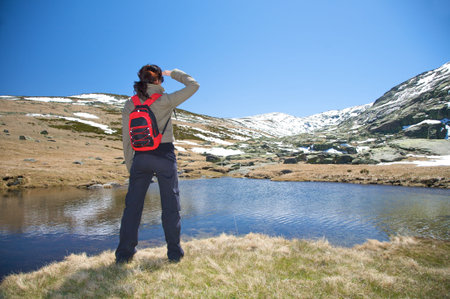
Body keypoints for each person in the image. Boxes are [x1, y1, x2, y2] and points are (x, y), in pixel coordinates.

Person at [115, 64, 199, 264]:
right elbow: (193, 85)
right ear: (159, 80)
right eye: (162, 78)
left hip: (140, 159)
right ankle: (174, 254)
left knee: (132, 208)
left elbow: (127, 139)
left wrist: (131, 166)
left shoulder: (130, 103)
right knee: (170, 207)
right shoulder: (164, 100)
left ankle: (124, 255)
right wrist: (175, 73)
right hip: (164, 156)